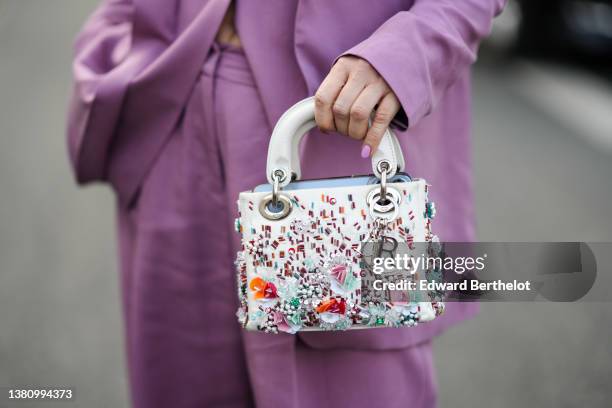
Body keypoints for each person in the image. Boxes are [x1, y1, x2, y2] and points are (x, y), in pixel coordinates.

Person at [67, 0, 505, 407]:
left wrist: (412, 49)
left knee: (357, 384)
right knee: (178, 376)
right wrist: (115, 31)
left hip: (342, 132)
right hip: (173, 99)